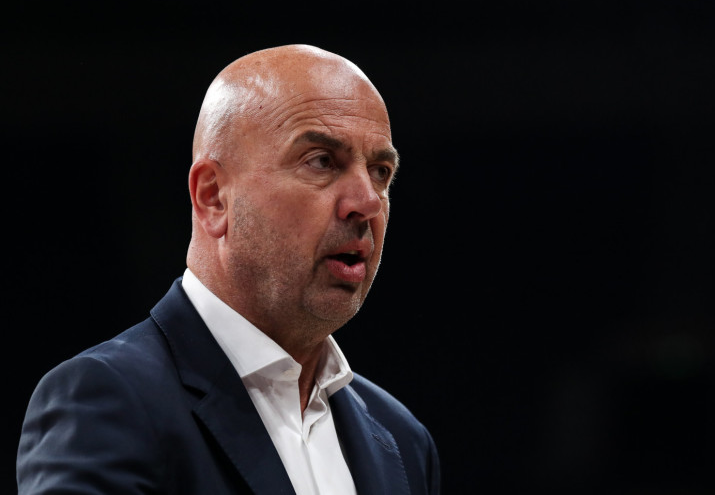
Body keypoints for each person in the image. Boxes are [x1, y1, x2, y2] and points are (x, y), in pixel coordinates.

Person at [17, 44, 441, 494]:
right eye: (321, 161)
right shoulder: (107, 401)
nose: (368, 202)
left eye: (380, 172)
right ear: (213, 197)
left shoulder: (403, 441)